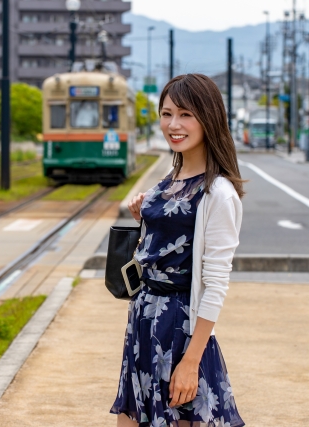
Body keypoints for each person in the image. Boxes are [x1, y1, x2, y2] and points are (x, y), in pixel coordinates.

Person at [111, 74, 246, 427]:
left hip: (181, 330)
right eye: (167, 113)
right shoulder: (169, 179)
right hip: (143, 323)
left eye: (186, 114)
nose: (173, 124)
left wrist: (190, 361)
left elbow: (216, 283)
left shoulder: (218, 193)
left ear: (208, 118)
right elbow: (161, 250)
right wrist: (146, 218)